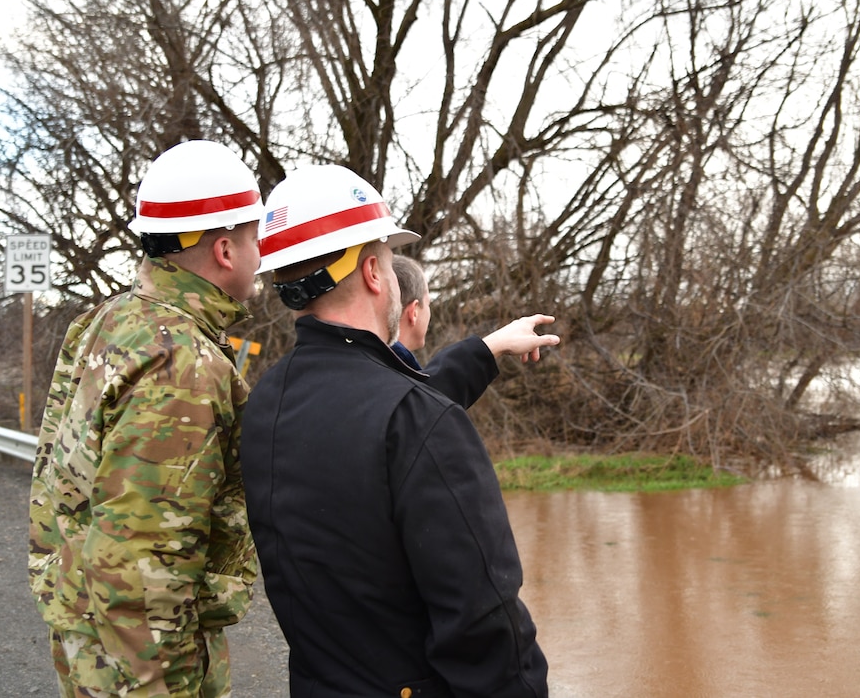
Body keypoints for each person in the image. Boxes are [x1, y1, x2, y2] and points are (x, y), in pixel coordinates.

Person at [239, 164, 553, 697]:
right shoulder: (416, 421)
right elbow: (486, 629)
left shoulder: (267, 400)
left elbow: (369, 421)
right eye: (387, 258)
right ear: (371, 273)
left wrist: (486, 349)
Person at [28, 140, 263, 697]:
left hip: (90, 644)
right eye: (255, 238)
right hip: (140, 670)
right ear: (226, 250)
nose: (261, 254)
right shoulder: (181, 362)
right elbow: (141, 572)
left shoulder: (107, 321)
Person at [391, 252, 556, 406]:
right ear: (414, 312)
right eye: (428, 303)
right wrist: (496, 344)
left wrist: (494, 344)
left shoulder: (379, 371)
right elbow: (424, 407)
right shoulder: (390, 378)